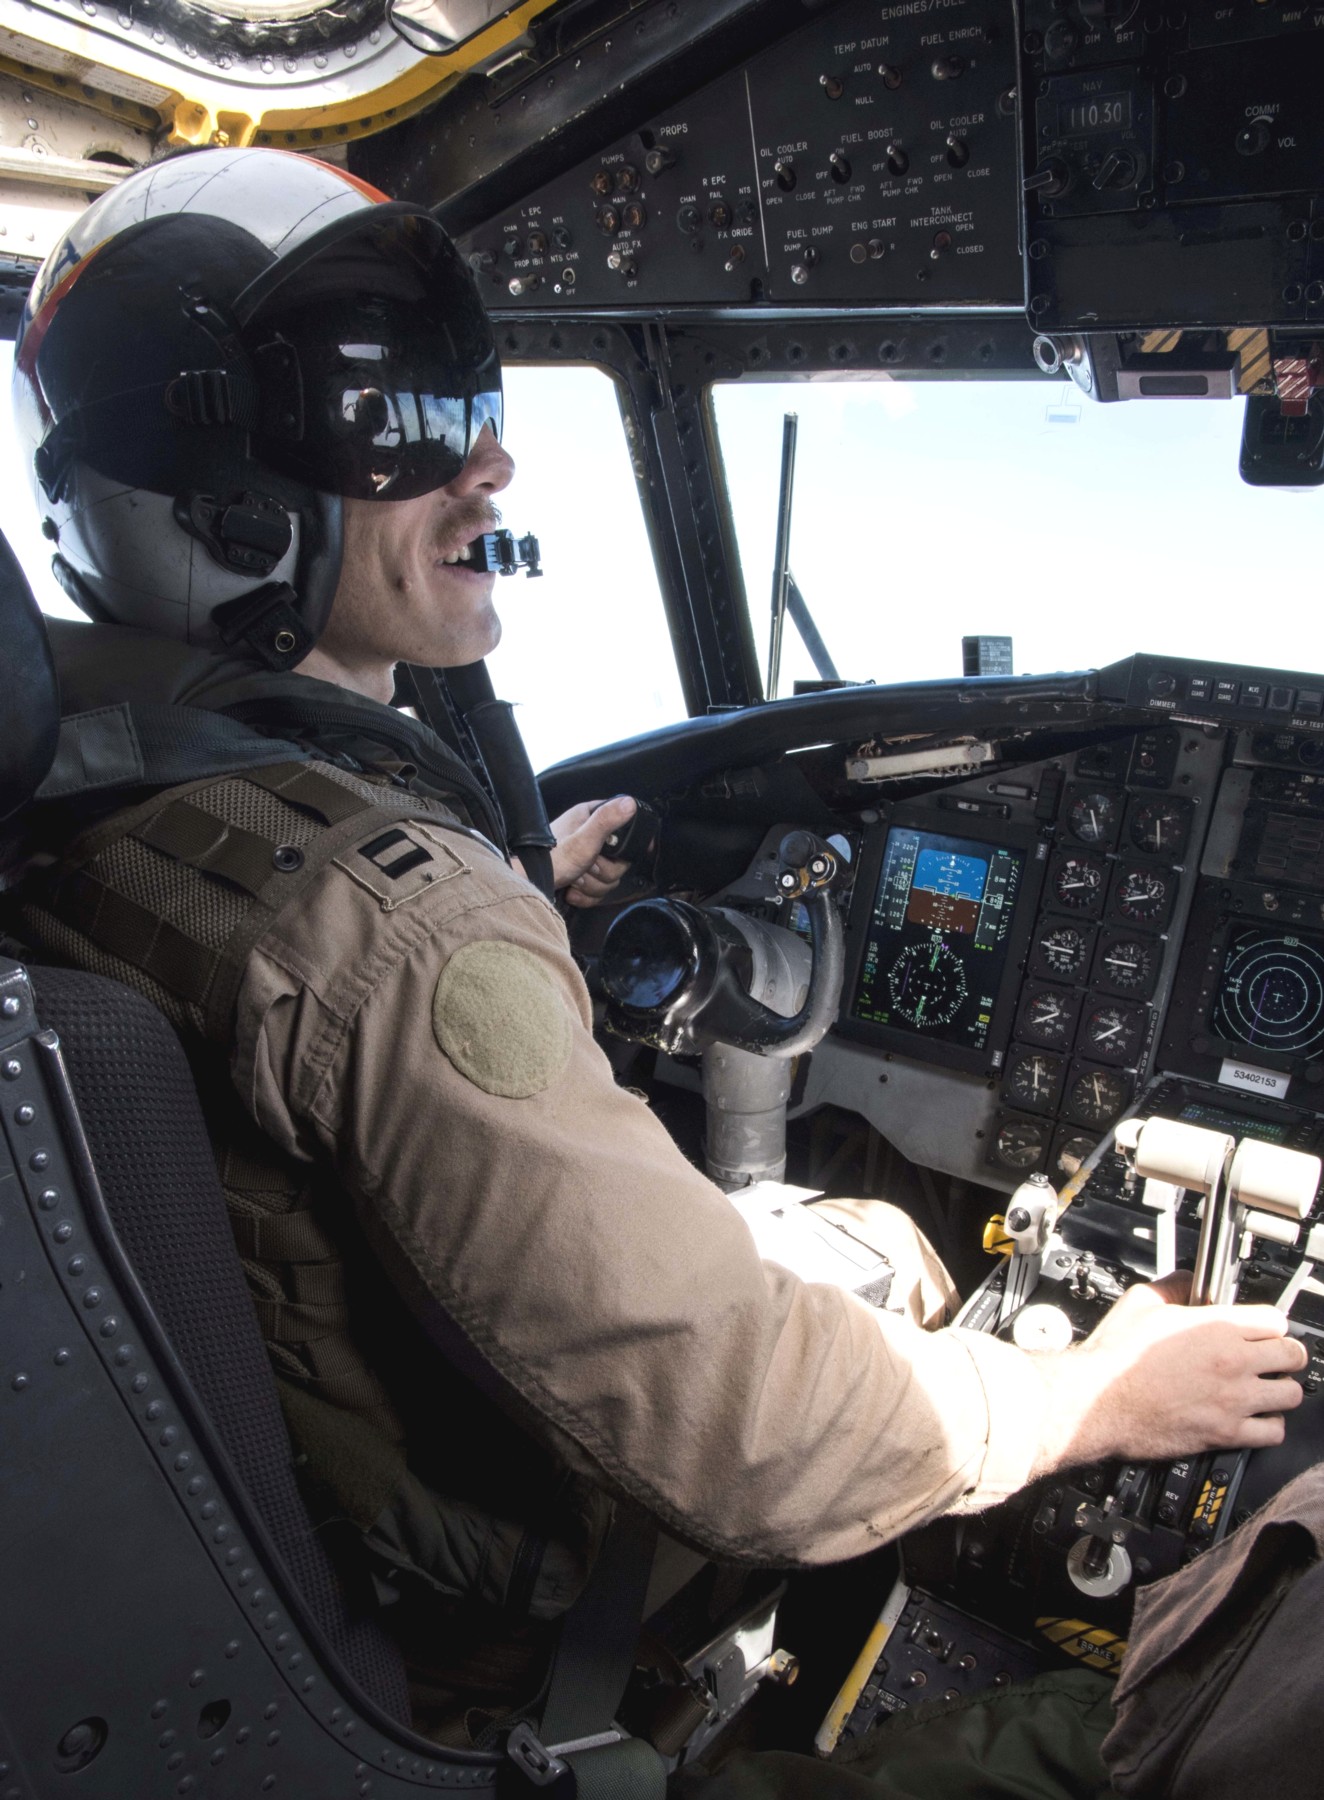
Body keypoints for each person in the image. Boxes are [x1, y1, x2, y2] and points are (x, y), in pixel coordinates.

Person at [8, 147, 1308, 1790]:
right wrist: (1093, 1397)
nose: (488, 461)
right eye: (400, 416)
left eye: (471, 398)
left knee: (847, 1234)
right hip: (478, 1642)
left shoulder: (94, 792)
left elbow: (296, 978)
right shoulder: (398, 927)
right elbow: (763, 1428)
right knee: (922, 1298)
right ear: (210, 484)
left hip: (273, 1544)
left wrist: (509, 893)